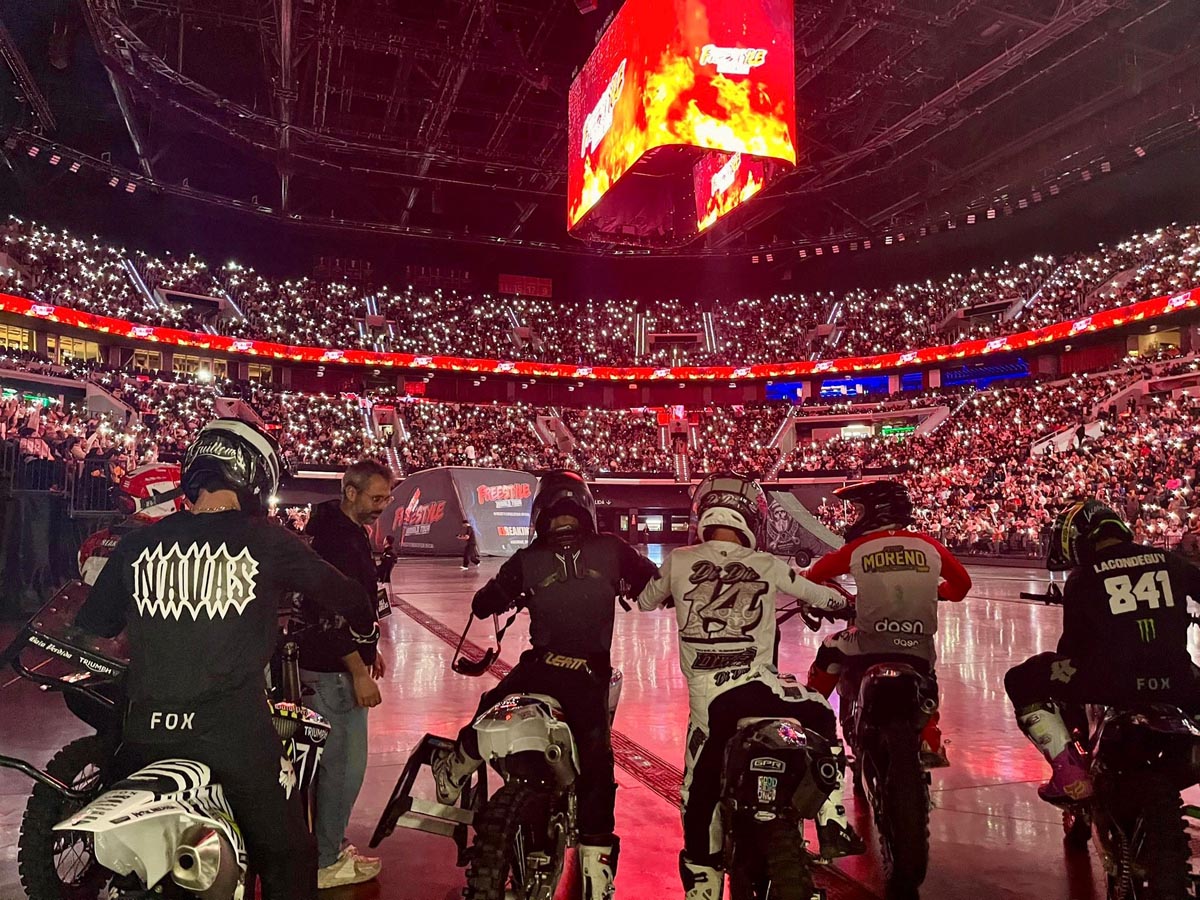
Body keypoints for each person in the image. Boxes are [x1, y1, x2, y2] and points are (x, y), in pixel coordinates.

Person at [75, 418, 378, 900]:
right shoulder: (267, 540)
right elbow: (349, 597)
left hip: (143, 733)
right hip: (232, 732)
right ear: (255, 474)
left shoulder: (138, 543)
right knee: (291, 854)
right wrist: (363, 626)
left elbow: (96, 625)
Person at [431, 471, 658, 900]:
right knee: (596, 763)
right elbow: (655, 586)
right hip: (588, 675)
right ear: (585, 509)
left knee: (490, 704)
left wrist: (513, 594)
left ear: (540, 513)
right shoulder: (612, 548)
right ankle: (596, 870)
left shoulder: (528, 557)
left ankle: (455, 769)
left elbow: (484, 603)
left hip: (541, 666)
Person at [638, 473, 859, 900]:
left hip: (710, 705)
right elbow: (819, 595)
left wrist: (671, 593)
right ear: (751, 519)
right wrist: (846, 604)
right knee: (819, 712)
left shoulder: (680, 560)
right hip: (762, 688)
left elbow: (646, 600)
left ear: (703, 514)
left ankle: (702, 881)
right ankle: (832, 818)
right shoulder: (767, 564)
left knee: (699, 791)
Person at [1004, 499, 1200, 803]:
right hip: (1177, 680)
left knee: (1020, 678)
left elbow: (1072, 646)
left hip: (1109, 683)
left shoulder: (1084, 576)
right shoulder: (1170, 561)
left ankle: (1069, 772)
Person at [804, 480, 972, 768]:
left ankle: (812, 723)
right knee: (926, 677)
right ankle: (929, 736)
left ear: (876, 511)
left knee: (829, 648)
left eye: (859, 511)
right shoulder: (930, 546)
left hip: (870, 641)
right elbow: (962, 586)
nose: (855, 519)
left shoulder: (859, 548)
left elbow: (813, 576)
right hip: (918, 645)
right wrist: (938, 592)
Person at [298, 459, 392, 889]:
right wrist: (358, 670)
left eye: (386, 498)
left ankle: (327, 846)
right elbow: (327, 615)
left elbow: (354, 605)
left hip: (331, 666)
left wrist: (370, 649)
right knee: (343, 768)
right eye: (375, 498)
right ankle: (327, 860)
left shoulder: (340, 531)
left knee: (332, 767)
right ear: (350, 492)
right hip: (333, 673)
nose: (381, 506)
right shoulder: (339, 541)